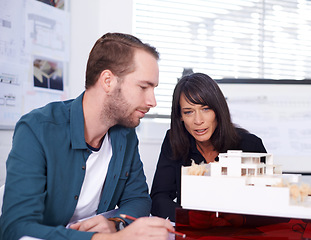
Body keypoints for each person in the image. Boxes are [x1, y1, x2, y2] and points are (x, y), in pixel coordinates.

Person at [0, 33, 174, 240]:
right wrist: (109, 239)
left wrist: (114, 223)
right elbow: (16, 229)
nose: (152, 101)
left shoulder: (126, 135)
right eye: (144, 87)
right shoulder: (37, 129)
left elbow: (138, 199)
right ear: (107, 81)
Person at [150, 73, 267, 222]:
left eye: (205, 109)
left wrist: (238, 219)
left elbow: (268, 204)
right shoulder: (174, 140)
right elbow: (159, 197)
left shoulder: (250, 145)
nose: (198, 120)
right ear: (180, 116)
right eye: (188, 112)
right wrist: (189, 217)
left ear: (217, 110)